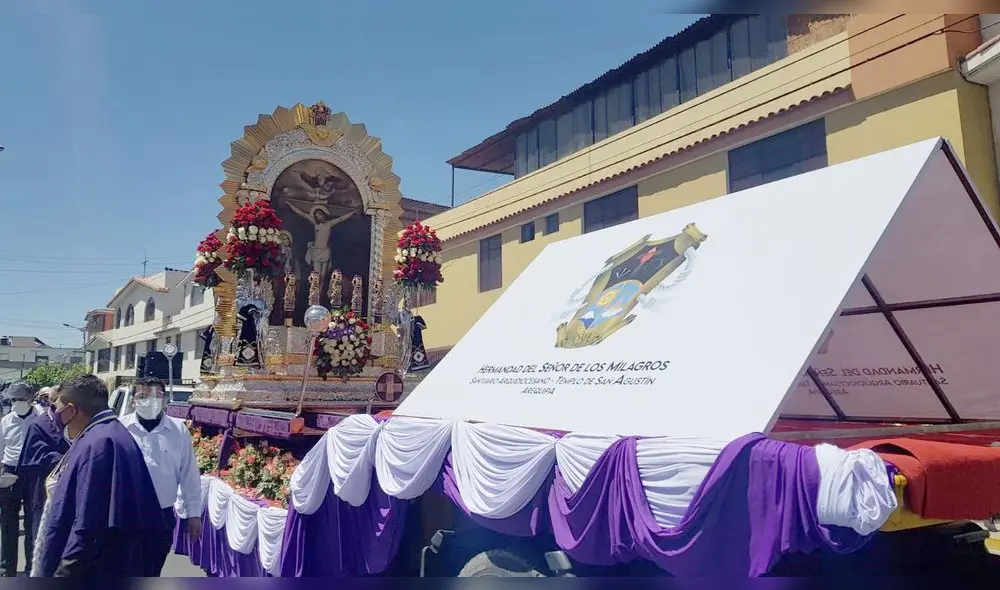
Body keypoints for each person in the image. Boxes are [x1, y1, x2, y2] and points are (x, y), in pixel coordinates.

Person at [31, 374, 168, 577]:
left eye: (57, 408)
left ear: (71, 410)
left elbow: (88, 524)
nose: (55, 416)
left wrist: (64, 573)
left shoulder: (101, 444)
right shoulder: (101, 433)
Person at [119, 377, 202, 576]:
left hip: (161, 516)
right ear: (133, 401)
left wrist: (194, 514)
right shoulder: (120, 428)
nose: (151, 401)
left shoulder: (178, 429)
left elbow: (189, 473)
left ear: (165, 400)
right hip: (126, 514)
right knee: (124, 569)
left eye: (158, 396)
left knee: (152, 570)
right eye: (143, 396)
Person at [16, 385, 69, 564]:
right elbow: (31, 457)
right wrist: (61, 460)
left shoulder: (75, 423)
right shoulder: (39, 425)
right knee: (42, 535)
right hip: (44, 490)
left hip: (70, 489)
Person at [0, 382, 43, 576]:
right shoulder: (6, 421)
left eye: (20, 399)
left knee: (32, 522)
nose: (15, 403)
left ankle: (30, 570)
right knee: (8, 523)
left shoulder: (41, 418)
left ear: (30, 399)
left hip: (33, 473)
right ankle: (6, 570)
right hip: (9, 472)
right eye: (13, 399)